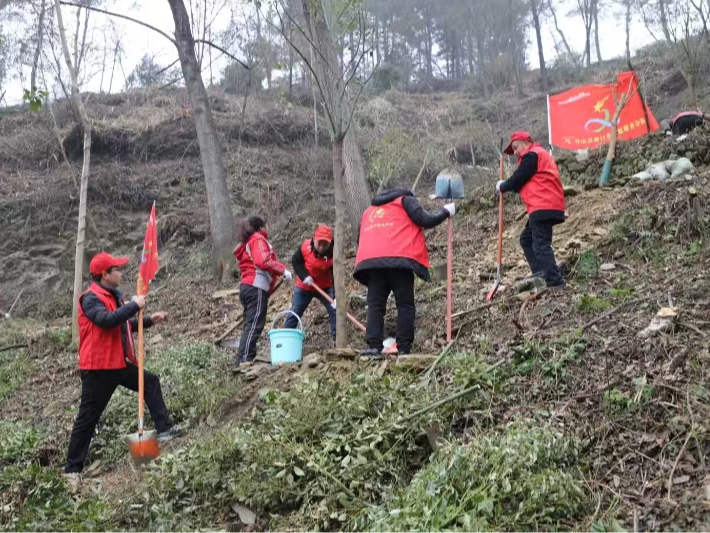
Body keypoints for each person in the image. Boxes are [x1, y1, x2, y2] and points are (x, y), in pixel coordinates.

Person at [64, 252, 179, 487]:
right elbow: (106, 321)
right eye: (116, 269)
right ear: (104, 274)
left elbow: (123, 324)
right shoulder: (90, 298)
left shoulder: (112, 295)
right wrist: (133, 305)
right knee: (88, 418)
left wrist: (149, 320)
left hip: (117, 362)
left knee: (150, 382)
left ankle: (164, 430)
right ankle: (72, 469)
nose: (121, 272)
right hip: (97, 369)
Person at [354, 188, 455, 356]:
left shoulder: (369, 211)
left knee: (375, 306)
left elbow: (361, 239)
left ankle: (373, 347)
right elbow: (425, 219)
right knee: (405, 304)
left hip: (373, 262)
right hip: (399, 259)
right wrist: (446, 211)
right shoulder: (405, 201)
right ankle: (403, 347)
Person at [496, 131, 566, 290]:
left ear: (526, 142)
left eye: (515, 147)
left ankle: (554, 280)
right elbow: (522, 183)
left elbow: (518, 178)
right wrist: (507, 185)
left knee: (541, 244)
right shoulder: (538, 157)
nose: (515, 152)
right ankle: (541, 272)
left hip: (543, 205)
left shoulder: (532, 155)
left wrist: (502, 185)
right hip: (545, 204)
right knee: (526, 239)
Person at [233, 216, 291, 368]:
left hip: (248, 287)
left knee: (250, 325)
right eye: (267, 225)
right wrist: (282, 270)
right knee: (254, 325)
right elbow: (263, 261)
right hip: (255, 287)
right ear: (262, 227)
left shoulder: (249, 241)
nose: (268, 229)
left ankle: (243, 358)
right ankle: (245, 359)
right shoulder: (258, 239)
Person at [284, 225, 336, 339]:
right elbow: (296, 262)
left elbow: (335, 276)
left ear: (330, 243)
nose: (322, 247)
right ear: (314, 239)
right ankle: (285, 339)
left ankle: (338, 341)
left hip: (325, 287)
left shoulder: (334, 252)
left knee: (335, 310)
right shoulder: (305, 246)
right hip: (305, 286)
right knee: (295, 311)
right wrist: (305, 276)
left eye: (325, 244)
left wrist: (336, 297)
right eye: (319, 243)